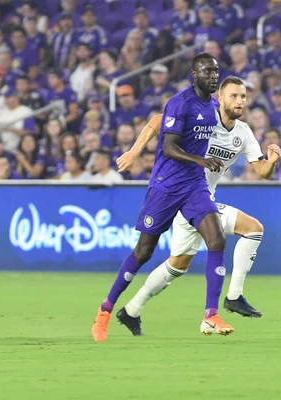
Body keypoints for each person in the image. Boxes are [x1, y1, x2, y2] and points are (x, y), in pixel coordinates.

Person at [114, 76, 281, 336]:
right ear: (220, 98)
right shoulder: (203, 117)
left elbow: (262, 171)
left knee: (177, 266)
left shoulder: (243, 132)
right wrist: (134, 153)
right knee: (253, 229)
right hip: (188, 196)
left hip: (202, 201)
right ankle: (232, 297)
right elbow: (156, 122)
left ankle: (131, 310)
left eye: (243, 97)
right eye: (234, 96)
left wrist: (270, 162)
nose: (240, 101)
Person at [92, 54, 226, 342]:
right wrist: (199, 160)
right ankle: (105, 310)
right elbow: (168, 146)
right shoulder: (180, 102)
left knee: (216, 239)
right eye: (208, 71)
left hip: (193, 185)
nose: (214, 76)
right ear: (194, 75)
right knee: (143, 252)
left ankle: (211, 313)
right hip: (166, 186)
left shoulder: (213, 104)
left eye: (216, 71)